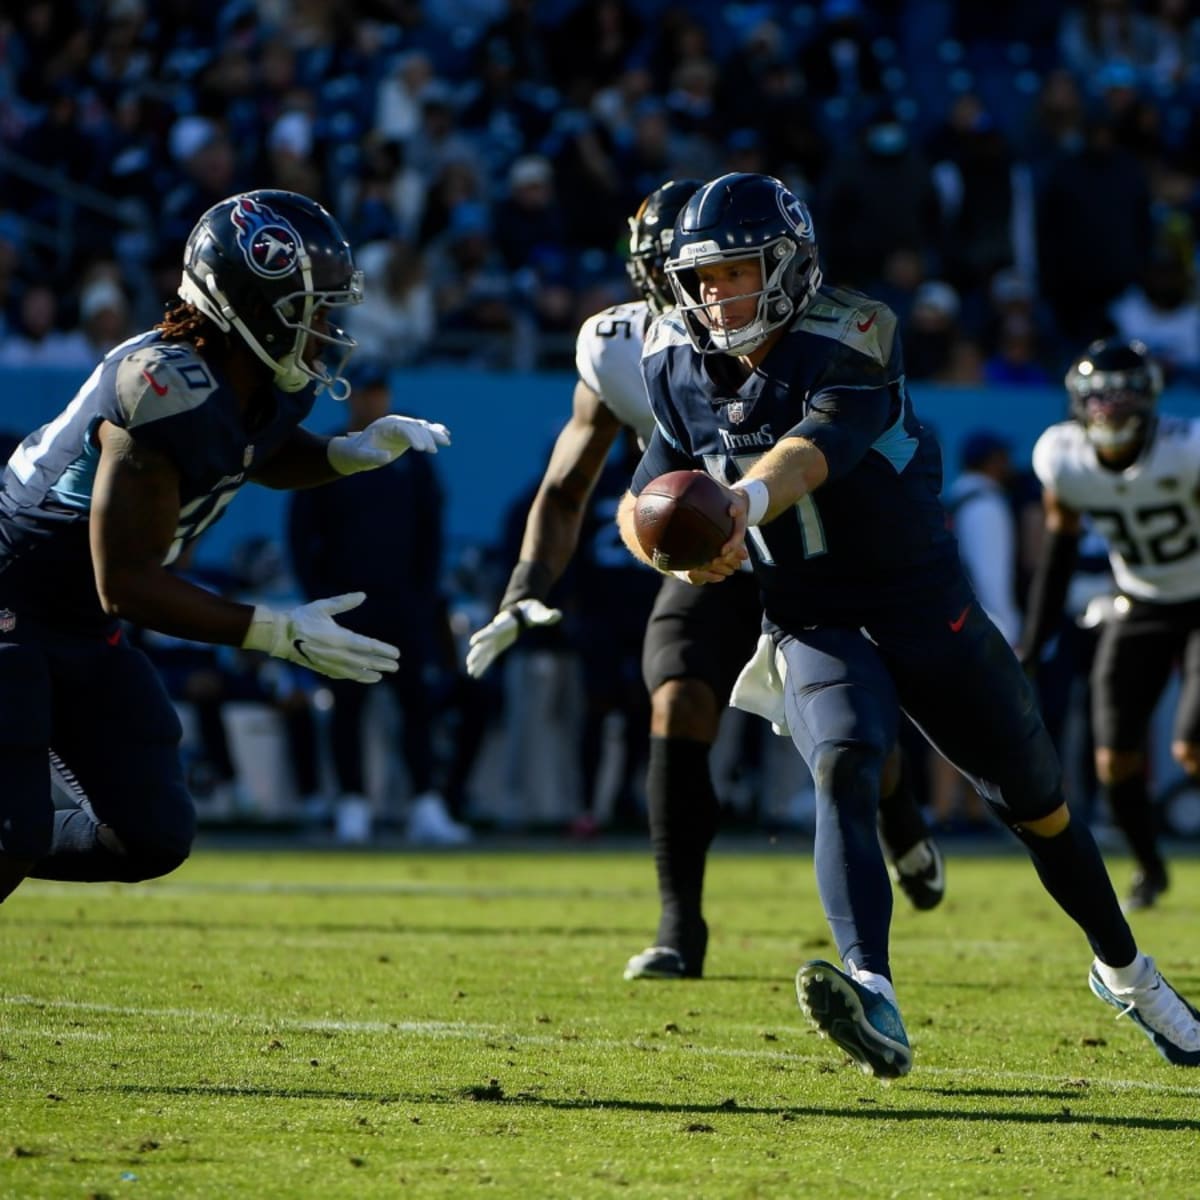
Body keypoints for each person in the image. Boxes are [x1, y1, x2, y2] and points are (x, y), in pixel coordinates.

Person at [617, 172, 1200, 1076]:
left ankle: (1128, 974)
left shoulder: (856, 329)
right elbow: (643, 491)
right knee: (845, 761)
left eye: (732, 273)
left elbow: (820, 448)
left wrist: (742, 500)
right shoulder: (671, 363)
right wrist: (665, 548)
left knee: (1040, 810)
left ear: (784, 265)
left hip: (922, 605)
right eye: (701, 279)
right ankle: (873, 992)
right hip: (810, 616)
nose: (711, 296)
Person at [467, 178, 944, 984]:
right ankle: (679, 925)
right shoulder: (628, 346)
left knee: (849, 728)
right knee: (677, 698)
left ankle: (897, 815)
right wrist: (527, 584)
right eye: (680, 272)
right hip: (700, 542)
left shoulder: (806, 331)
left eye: (718, 271)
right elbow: (571, 485)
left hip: (811, 536)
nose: (697, 293)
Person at [0, 188, 450, 902]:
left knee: (150, 832)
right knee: (9, 830)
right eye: (311, 308)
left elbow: (253, 450)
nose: (328, 325)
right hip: (14, 605)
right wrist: (274, 632)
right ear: (250, 306)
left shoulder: (250, 378)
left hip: (77, 621)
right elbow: (128, 582)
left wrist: (345, 455)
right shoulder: (162, 387)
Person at [1019, 339, 1200, 912]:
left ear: (1147, 398)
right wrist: (1031, 642)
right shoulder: (1062, 456)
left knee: (1192, 748)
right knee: (1113, 760)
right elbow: (1059, 551)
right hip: (1140, 600)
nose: (1109, 410)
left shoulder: (1188, 448)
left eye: (1121, 396)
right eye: (1098, 398)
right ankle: (1150, 868)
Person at [287, 361, 470, 846]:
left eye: (380, 391)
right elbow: (301, 535)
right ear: (351, 399)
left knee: (416, 704)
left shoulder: (411, 456)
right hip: (344, 606)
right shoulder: (326, 453)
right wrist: (317, 598)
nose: (374, 401)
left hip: (404, 606)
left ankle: (425, 804)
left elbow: (431, 530)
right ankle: (352, 804)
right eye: (366, 392)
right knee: (347, 704)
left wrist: (423, 598)